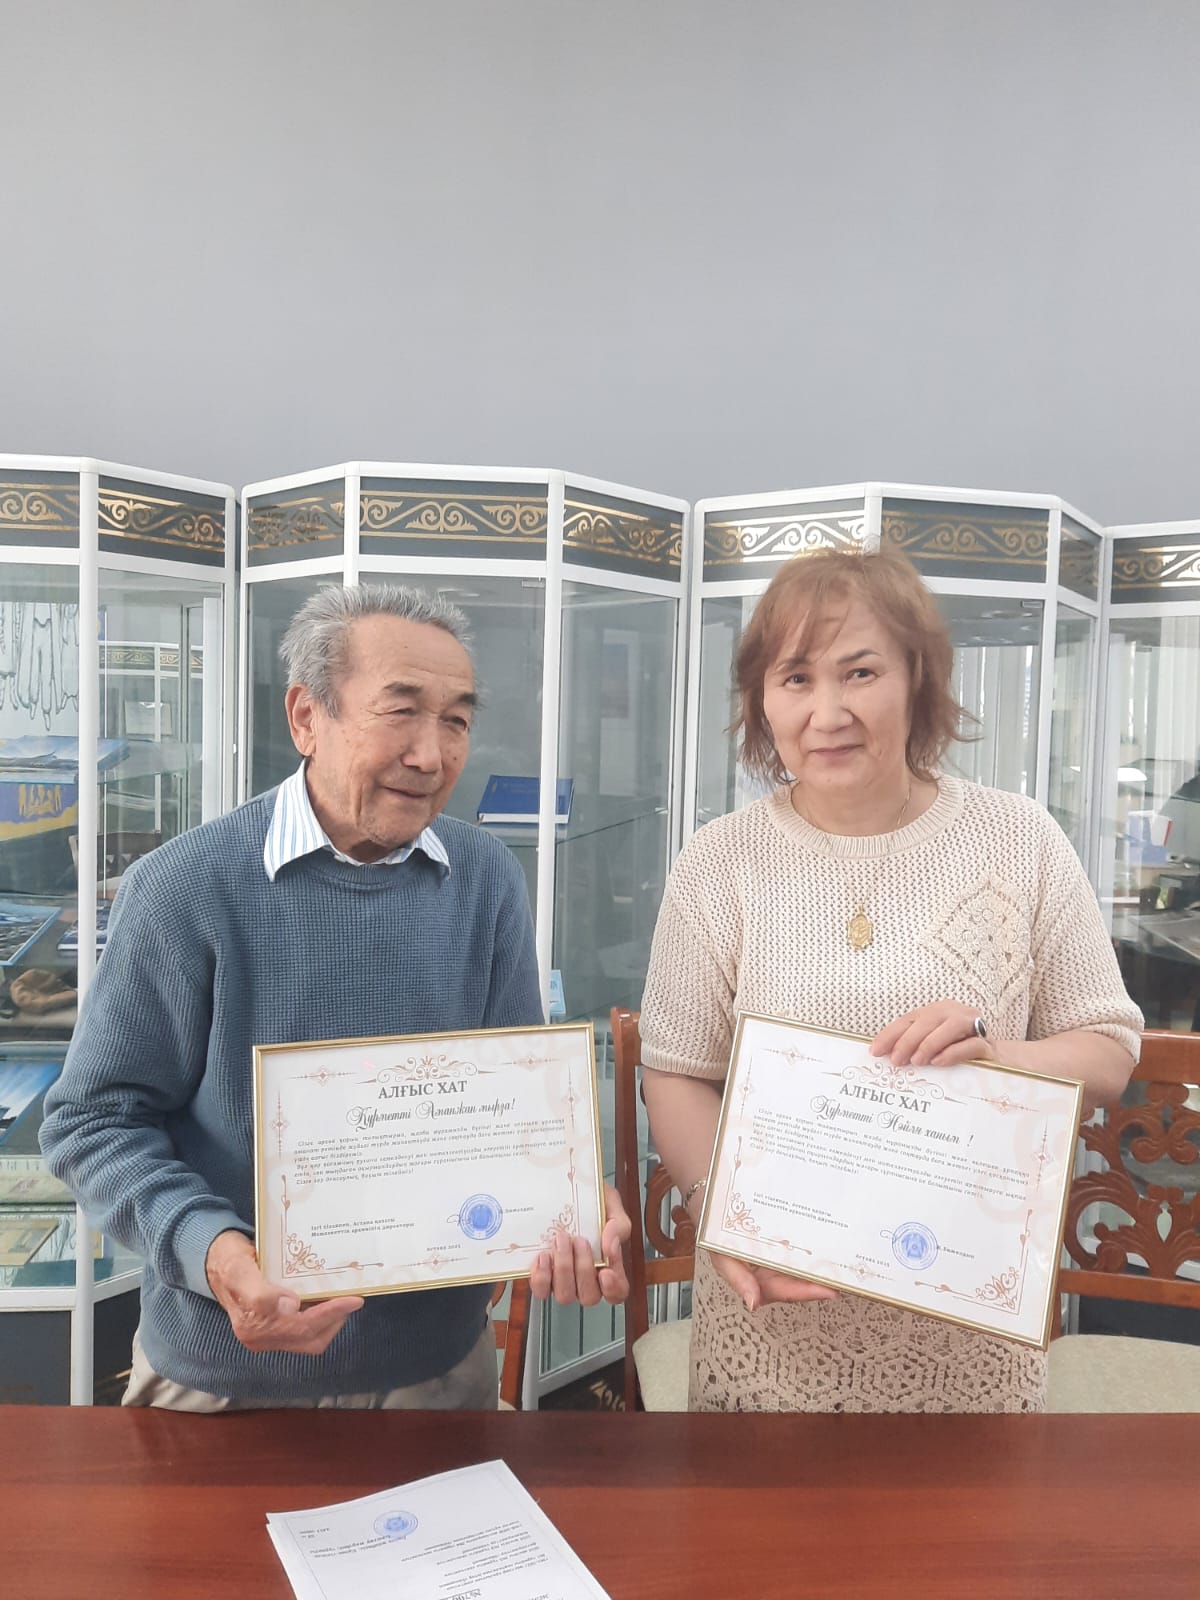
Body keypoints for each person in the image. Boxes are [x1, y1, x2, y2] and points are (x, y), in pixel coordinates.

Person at [40, 583, 629, 1411]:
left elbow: (518, 1109)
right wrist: (215, 1252)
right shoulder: (185, 887)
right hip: (224, 1376)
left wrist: (570, 1202)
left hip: (437, 1371)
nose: (432, 754)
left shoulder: (486, 878)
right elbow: (92, 1121)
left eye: (456, 720)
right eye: (401, 712)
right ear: (306, 717)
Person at [639, 547, 1142, 1414]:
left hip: (970, 1343)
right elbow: (678, 1068)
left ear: (919, 680)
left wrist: (1000, 1056)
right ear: (762, 699)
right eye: (795, 678)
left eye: (860, 672)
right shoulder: (720, 862)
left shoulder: (1019, 840)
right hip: (769, 1339)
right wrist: (720, 1208)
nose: (827, 712)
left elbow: (1109, 1050)